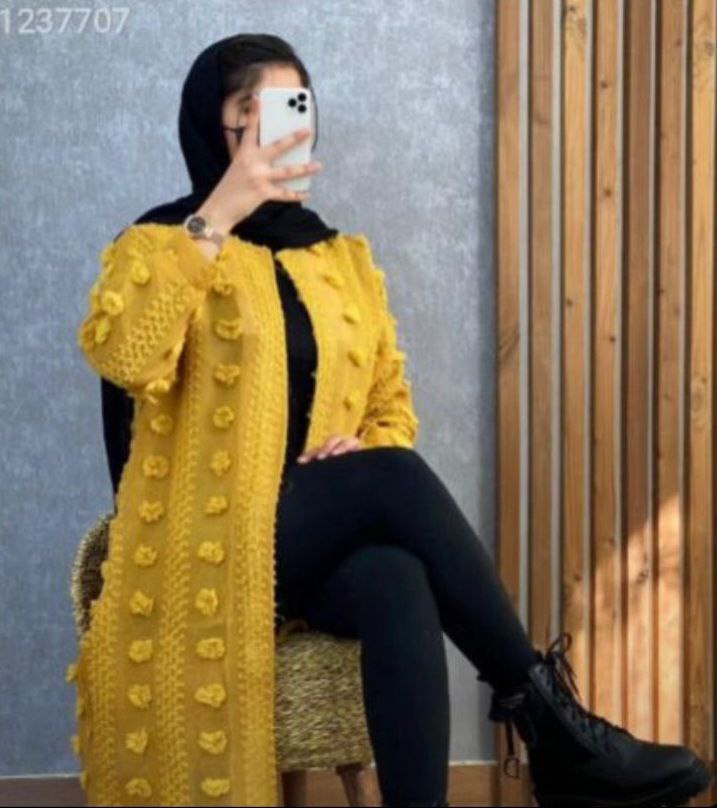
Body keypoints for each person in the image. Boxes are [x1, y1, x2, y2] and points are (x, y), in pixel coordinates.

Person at [67, 33, 713, 808]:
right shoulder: (157, 243)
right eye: (249, 110)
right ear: (211, 123)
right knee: (392, 480)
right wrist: (220, 214)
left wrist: (361, 449)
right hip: (199, 538)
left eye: (290, 108)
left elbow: (389, 405)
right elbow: (126, 355)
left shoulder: (339, 259)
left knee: (395, 576)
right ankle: (552, 728)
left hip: (304, 545)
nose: (273, 129)